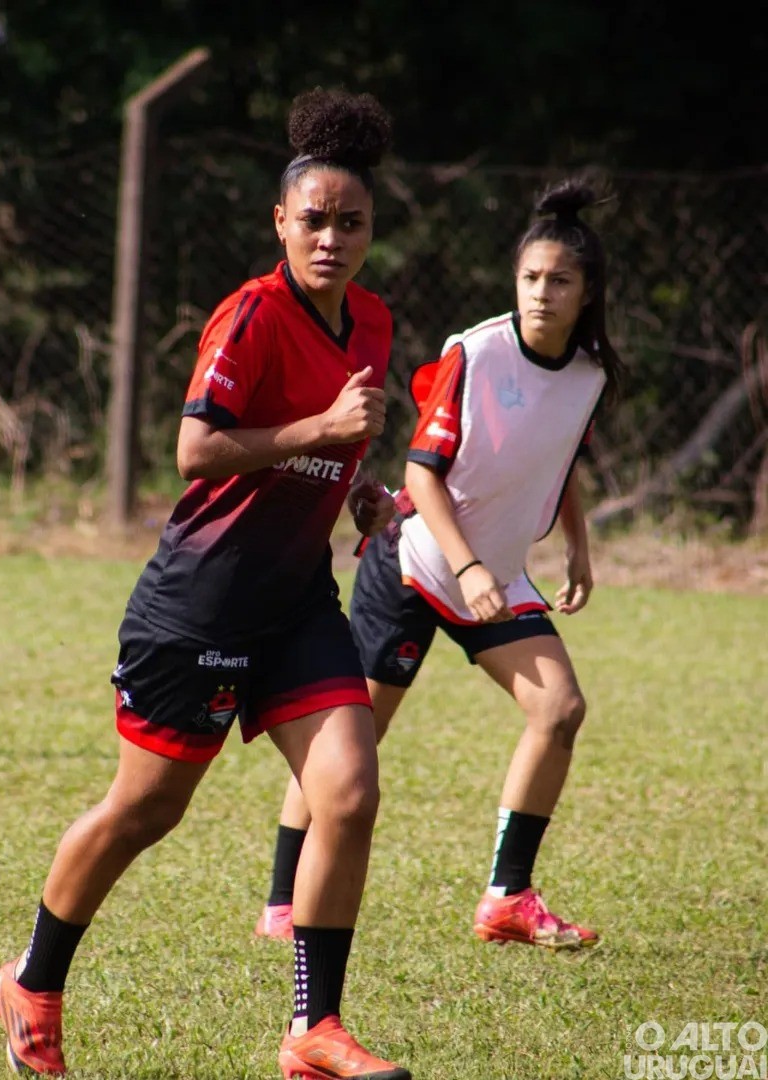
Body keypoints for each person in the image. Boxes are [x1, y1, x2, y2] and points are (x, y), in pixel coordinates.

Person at [0, 87, 413, 1080]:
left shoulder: (376, 324)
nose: (332, 238)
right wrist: (320, 437)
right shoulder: (252, 315)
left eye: (352, 223)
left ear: (371, 230)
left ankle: (314, 1030)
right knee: (147, 811)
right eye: (314, 219)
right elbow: (195, 449)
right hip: (201, 602)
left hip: (297, 600)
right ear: (281, 221)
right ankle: (33, 983)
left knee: (348, 790)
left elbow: (338, 441)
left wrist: (361, 494)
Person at [255, 177, 626, 952]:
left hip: (491, 574)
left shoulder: (591, 376)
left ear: (588, 293)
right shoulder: (477, 351)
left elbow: (562, 461)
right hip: (416, 561)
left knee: (560, 710)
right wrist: (469, 571)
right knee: (349, 742)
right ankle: (283, 901)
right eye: (530, 278)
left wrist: (578, 545)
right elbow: (421, 474)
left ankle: (507, 898)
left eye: (560, 280)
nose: (541, 293)